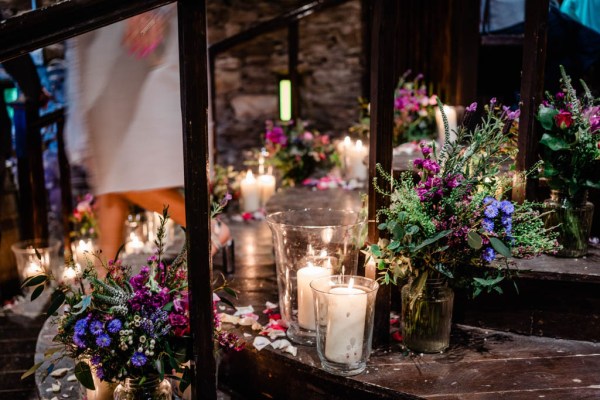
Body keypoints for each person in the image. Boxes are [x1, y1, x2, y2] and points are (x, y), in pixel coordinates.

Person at [65, 5, 229, 275]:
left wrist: (150, 9)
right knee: (107, 170)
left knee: (116, 169)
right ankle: (106, 280)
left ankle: (208, 226)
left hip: (125, 36)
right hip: (98, 34)